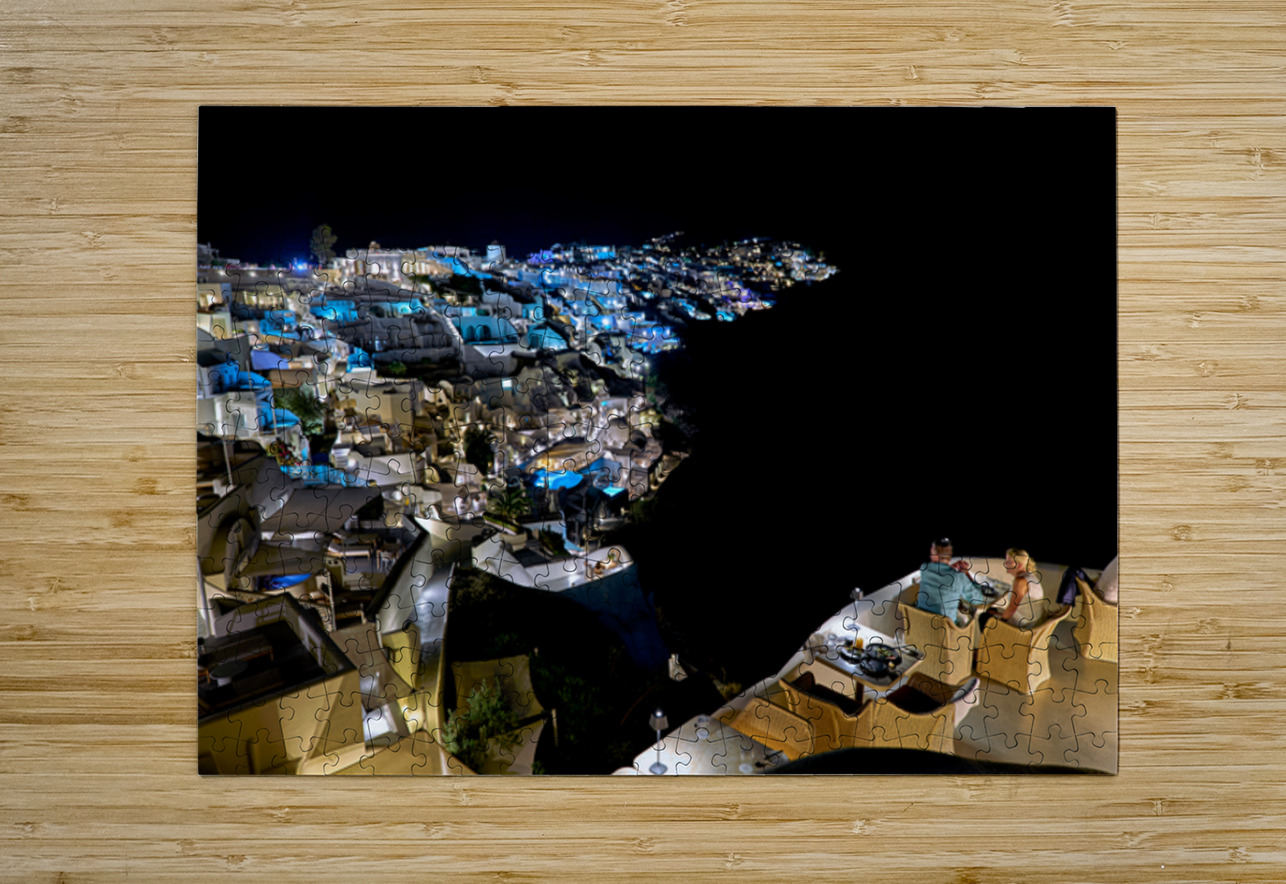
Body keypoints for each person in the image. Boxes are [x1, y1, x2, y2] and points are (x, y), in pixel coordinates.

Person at [915, 538, 989, 627]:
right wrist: (966, 573)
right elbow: (978, 600)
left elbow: (938, 571)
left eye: (932, 553)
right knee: (967, 618)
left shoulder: (924, 568)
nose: (930, 556)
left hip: (920, 624)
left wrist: (950, 567)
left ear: (936, 555)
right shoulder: (958, 577)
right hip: (945, 631)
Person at [999, 548, 1045, 627]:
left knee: (985, 617)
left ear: (1019, 565)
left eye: (1009, 562)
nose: (1005, 563)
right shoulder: (1030, 575)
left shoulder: (1020, 581)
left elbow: (1012, 609)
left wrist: (999, 623)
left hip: (1025, 625)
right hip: (1035, 620)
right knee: (991, 611)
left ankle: (992, 638)